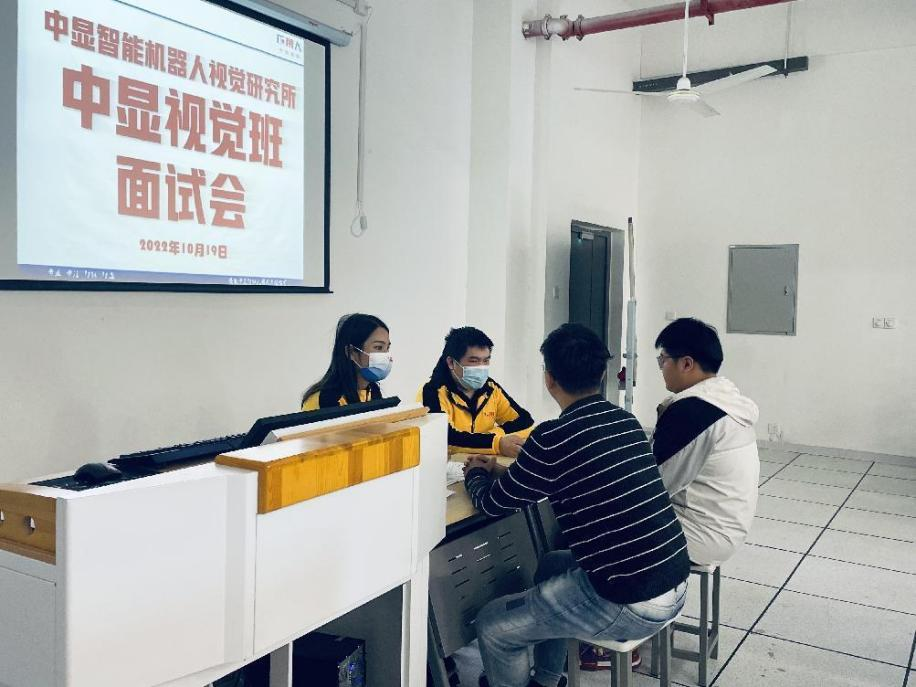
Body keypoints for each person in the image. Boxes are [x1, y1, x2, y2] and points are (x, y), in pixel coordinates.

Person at [465, 323, 689, 687]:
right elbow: (556, 475)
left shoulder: (553, 437)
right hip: (674, 581)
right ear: (601, 375)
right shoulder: (626, 421)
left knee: (493, 625)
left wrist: (476, 472)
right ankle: (548, 679)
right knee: (553, 564)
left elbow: (493, 504)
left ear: (549, 379)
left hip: (628, 599)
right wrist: (504, 471)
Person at [653, 317, 760, 567]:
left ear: (686, 363)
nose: (661, 368)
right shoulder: (725, 400)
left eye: (663, 360)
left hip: (699, 534)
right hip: (726, 528)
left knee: (597, 518)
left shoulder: (693, 412)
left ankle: (581, 586)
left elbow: (652, 485)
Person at [420, 326, 534, 457]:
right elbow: (445, 437)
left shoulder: (491, 388)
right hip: (445, 467)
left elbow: (525, 422)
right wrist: (496, 443)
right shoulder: (431, 392)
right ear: (451, 362)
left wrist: (490, 436)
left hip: (482, 464)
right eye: (474, 361)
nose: (481, 367)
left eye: (486, 361)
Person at [301, 313, 392, 411]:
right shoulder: (321, 400)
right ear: (351, 352)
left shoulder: (373, 392)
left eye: (387, 348)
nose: (386, 355)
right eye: (378, 347)